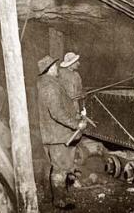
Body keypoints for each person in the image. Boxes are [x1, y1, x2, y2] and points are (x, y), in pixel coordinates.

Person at [37, 55, 86, 209]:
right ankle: (60, 201)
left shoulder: (47, 83)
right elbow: (57, 113)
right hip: (57, 135)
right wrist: (76, 124)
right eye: (54, 66)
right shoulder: (50, 87)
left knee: (51, 166)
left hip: (51, 134)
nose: (57, 68)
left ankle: (49, 196)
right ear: (49, 69)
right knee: (60, 169)